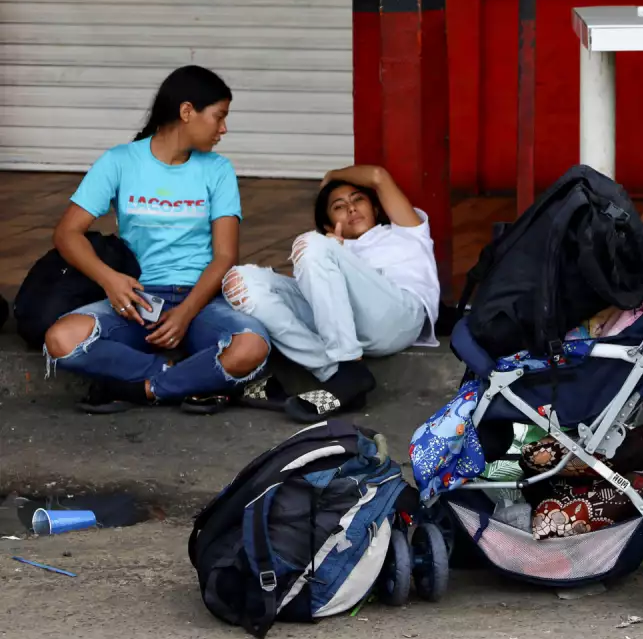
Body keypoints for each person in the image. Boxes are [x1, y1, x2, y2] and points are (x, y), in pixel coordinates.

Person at [43, 65, 271, 415]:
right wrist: (110, 280)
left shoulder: (218, 169)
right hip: (137, 299)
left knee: (251, 346)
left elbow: (225, 255)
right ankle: (188, 381)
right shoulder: (120, 161)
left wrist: (185, 314)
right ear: (186, 111)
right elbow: (66, 233)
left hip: (202, 300)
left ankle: (145, 389)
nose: (223, 129)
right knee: (62, 339)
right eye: (218, 117)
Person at [222, 165, 440, 422]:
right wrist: (336, 250)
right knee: (238, 281)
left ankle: (346, 364)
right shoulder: (327, 249)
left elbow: (377, 176)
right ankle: (337, 374)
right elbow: (323, 296)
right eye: (338, 206)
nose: (351, 208)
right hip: (352, 327)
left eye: (358, 200)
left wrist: (332, 176)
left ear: (376, 209)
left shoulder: (406, 230)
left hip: (400, 317)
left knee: (309, 244)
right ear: (328, 223)